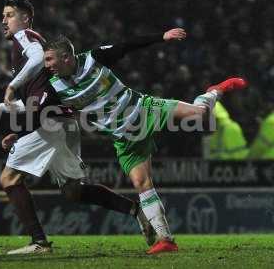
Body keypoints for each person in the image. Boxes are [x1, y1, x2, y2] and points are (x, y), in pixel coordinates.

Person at [42, 33, 247, 254]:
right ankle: (166, 239)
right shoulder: (53, 88)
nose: (47, 65)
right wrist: (17, 133)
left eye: (50, 60)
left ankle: (214, 91)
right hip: (124, 137)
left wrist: (161, 37)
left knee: (200, 114)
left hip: (144, 110)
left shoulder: (94, 58)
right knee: (142, 183)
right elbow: (36, 111)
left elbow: (127, 44)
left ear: (66, 57)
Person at [0, 0, 154, 254]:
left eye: (9, 15)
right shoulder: (28, 54)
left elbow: (38, 58)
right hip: (62, 122)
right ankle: (135, 210)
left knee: (9, 178)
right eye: (3, 16)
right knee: (73, 191)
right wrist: (4, 109)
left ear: (25, 18)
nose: (4, 20)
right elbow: (36, 103)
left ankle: (39, 242)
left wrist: (12, 85)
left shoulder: (25, 37)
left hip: (51, 124)